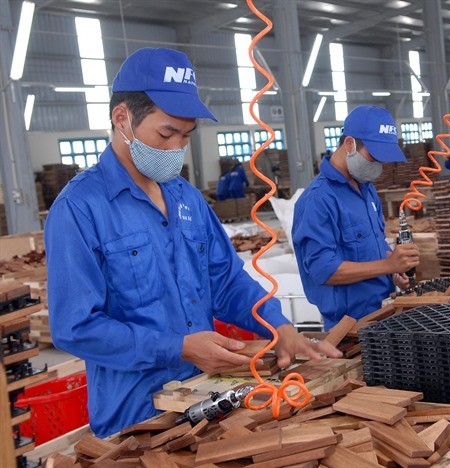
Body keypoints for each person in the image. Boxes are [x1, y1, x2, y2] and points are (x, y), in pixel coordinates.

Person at [44, 47, 340, 438]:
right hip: (135, 416)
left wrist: (278, 324)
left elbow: (227, 281)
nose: (175, 149)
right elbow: (75, 327)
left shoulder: (186, 198)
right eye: (165, 133)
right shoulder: (80, 209)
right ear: (122, 119)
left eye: (185, 136)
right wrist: (178, 348)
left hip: (204, 399)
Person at [292, 106, 420, 330]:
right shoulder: (319, 199)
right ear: (350, 144)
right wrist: (387, 264)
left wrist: (394, 267)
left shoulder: (366, 189)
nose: (378, 166)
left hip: (382, 310)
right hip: (349, 326)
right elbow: (323, 269)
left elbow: (375, 242)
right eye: (374, 156)